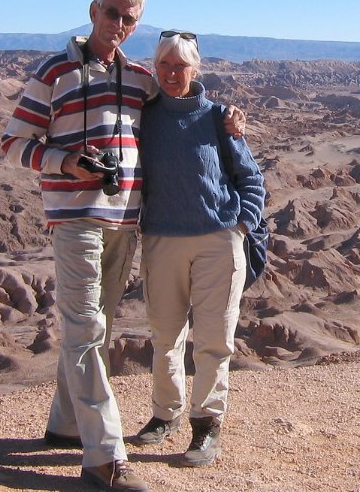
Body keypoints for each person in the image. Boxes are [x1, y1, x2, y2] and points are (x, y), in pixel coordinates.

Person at [0, 0, 243, 492]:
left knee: (100, 327)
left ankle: (66, 424)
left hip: (125, 224)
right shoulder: (54, 71)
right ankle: (105, 457)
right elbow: (14, 142)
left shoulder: (139, 78)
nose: (119, 25)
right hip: (75, 220)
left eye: (129, 19)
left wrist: (228, 117)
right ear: (93, 11)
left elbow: (184, 98)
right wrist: (64, 161)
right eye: (112, 13)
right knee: (86, 328)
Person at [133, 29, 266, 468]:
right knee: (165, 336)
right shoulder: (143, 117)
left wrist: (242, 226)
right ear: (155, 68)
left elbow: (250, 177)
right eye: (164, 65)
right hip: (161, 240)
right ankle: (164, 415)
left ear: (197, 69)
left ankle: (207, 426)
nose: (172, 74)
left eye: (181, 66)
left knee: (213, 340)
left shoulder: (219, 118)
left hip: (217, 241)